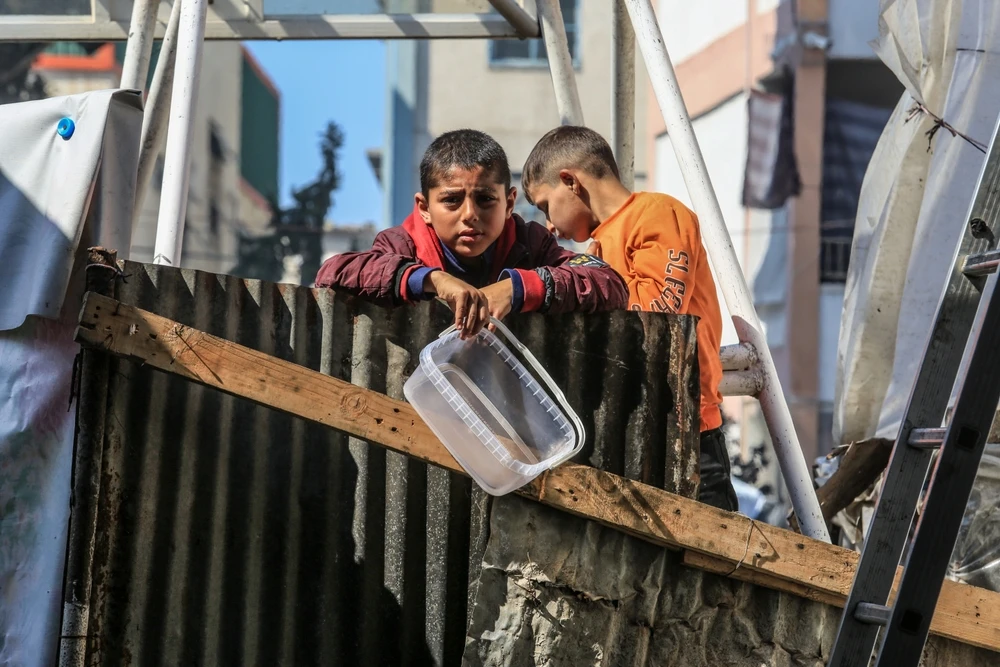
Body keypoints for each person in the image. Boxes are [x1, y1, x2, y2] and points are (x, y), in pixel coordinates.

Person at [521, 125, 739, 512]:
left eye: (544, 206)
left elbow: (658, 314)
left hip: (689, 431)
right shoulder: (595, 248)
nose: (550, 226)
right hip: (627, 431)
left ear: (570, 181)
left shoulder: (657, 213)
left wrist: (583, 285)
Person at [315, 129, 628, 338]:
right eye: (451, 200)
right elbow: (333, 272)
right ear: (424, 207)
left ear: (509, 204)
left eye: (485, 199)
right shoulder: (402, 244)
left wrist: (518, 288)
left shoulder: (530, 243)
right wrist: (433, 280)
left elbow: (607, 281)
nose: (469, 214)